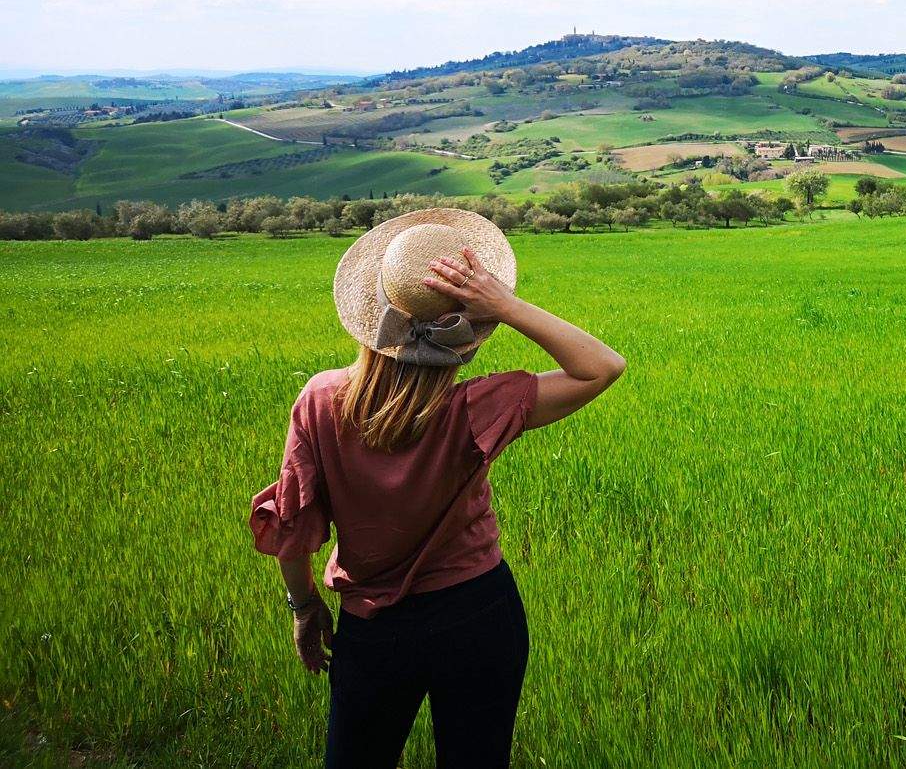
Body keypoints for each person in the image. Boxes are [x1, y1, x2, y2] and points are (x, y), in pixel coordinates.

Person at [249, 208, 625, 769]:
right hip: (479, 613)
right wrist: (507, 305)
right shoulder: (475, 408)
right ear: (469, 326)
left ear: (374, 312)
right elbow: (602, 367)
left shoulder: (321, 400)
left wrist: (304, 607)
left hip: (372, 626)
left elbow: (294, 524)